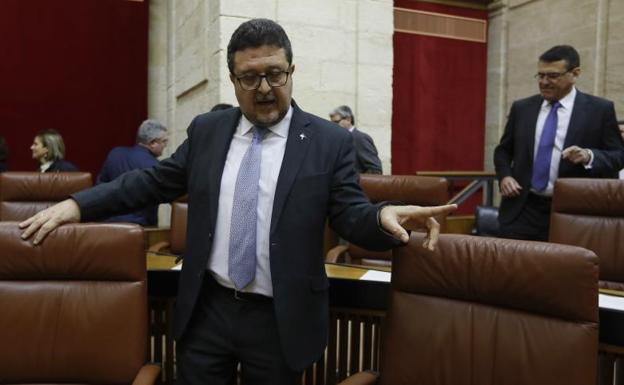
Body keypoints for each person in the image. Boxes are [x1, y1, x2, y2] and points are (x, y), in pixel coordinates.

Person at [20, 19, 456, 385]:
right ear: (233, 80)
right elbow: (151, 182)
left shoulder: (329, 142)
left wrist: (383, 216)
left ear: (291, 71)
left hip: (280, 319)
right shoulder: (209, 131)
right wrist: (77, 205)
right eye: (250, 77)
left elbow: (351, 214)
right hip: (208, 310)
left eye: (275, 74)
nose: (264, 88)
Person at [494, 45, 624, 241]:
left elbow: (618, 156)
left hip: (574, 212)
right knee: (515, 269)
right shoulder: (522, 108)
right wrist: (505, 176)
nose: (544, 82)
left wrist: (589, 156)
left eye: (553, 76)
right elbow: (503, 151)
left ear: (575, 73)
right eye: (540, 76)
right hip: (522, 209)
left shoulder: (599, 109)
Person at [97, 119, 168, 226]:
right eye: (164, 141)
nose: (165, 145)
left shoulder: (115, 154)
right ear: (153, 143)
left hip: (107, 225)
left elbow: (99, 187)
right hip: (140, 228)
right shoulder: (156, 166)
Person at [329, 105, 383, 174]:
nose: (333, 126)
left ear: (348, 119)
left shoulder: (360, 138)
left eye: (336, 122)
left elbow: (375, 170)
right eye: (331, 123)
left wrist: (353, 181)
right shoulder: (339, 139)